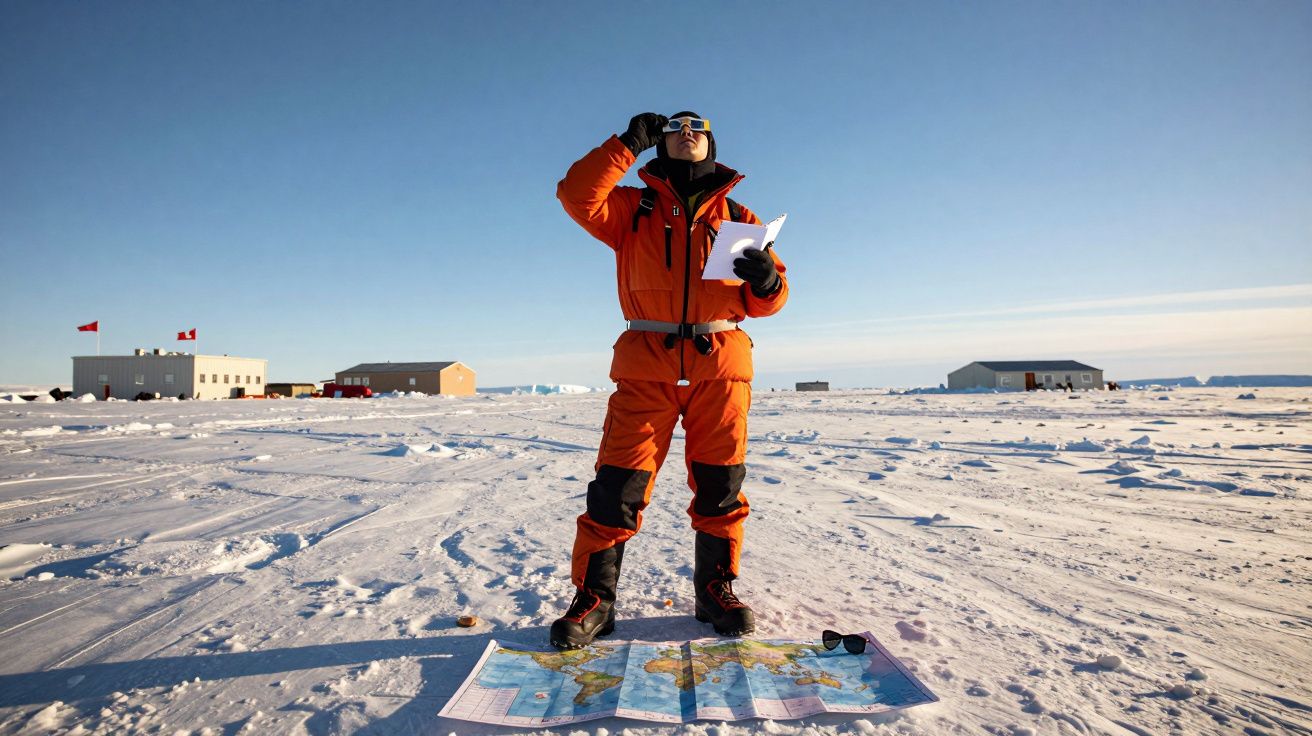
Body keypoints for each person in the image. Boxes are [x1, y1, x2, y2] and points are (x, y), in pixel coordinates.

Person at [551, 111, 789, 650]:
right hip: (646, 366)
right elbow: (575, 195)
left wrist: (769, 279)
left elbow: (766, 303)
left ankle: (715, 590)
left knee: (720, 486)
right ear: (660, 142)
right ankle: (596, 600)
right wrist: (625, 143)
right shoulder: (632, 207)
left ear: (710, 143)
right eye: (676, 128)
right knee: (617, 485)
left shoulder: (737, 215)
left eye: (698, 129)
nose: (688, 133)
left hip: (720, 366)